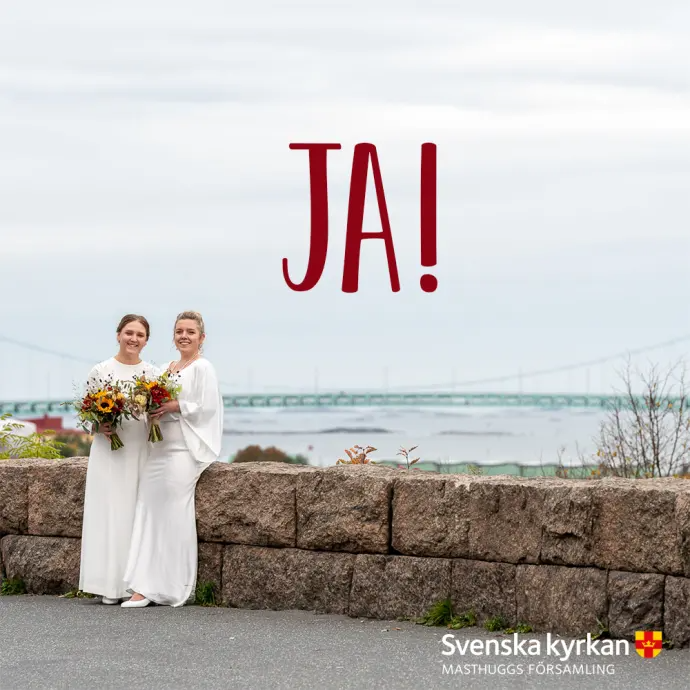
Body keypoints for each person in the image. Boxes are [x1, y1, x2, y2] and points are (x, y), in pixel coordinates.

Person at [122, 311, 223, 608]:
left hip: (182, 450)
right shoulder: (166, 368)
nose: (184, 336)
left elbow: (208, 407)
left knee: (172, 516)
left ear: (201, 338)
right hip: (159, 449)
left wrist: (176, 404)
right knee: (148, 513)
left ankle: (167, 586)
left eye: (191, 332)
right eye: (179, 331)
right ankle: (142, 584)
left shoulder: (204, 367)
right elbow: (156, 401)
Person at [79, 314, 157, 604]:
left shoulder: (150, 374)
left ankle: (131, 584)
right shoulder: (100, 370)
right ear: (118, 335)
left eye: (139, 334)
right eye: (128, 333)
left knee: (133, 514)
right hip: (109, 451)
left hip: (139, 449)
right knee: (109, 513)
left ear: (146, 340)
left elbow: (156, 411)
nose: (133, 339)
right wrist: (99, 425)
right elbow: (86, 415)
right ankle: (108, 585)